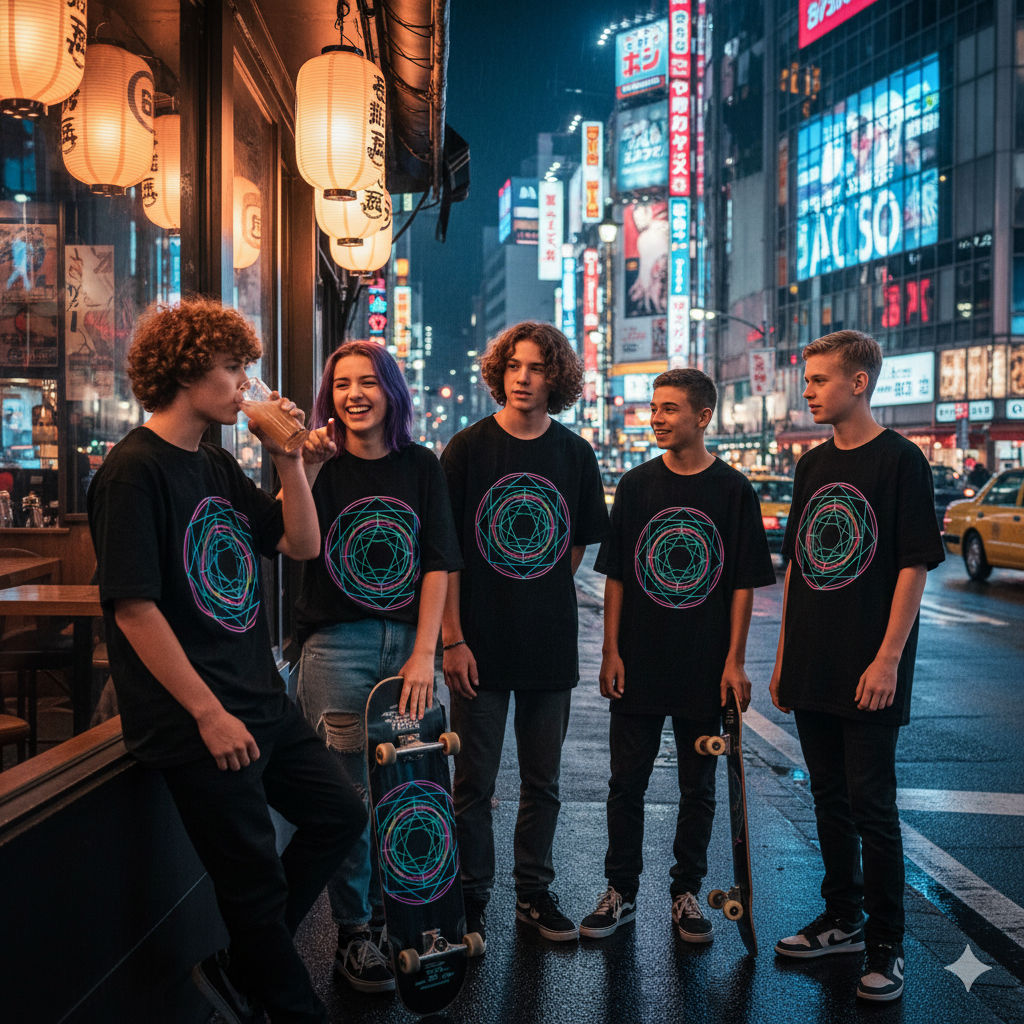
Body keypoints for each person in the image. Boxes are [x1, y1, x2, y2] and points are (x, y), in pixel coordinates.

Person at [87, 299, 366, 1024]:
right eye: (234, 367)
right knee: (254, 883)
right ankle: (286, 1004)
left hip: (258, 697)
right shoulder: (132, 472)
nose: (247, 384)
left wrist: (291, 460)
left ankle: (243, 967)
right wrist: (208, 715)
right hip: (197, 717)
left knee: (339, 814)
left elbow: (299, 543)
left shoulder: (211, 460)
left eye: (247, 368)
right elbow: (134, 609)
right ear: (186, 372)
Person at [769, 330, 944, 1002]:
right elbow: (797, 567)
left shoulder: (901, 460)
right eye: (807, 380)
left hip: (870, 665)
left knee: (872, 804)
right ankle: (841, 917)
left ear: (859, 382)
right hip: (812, 662)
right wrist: (784, 660)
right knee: (829, 798)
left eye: (818, 380)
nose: (808, 391)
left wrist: (888, 660)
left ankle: (886, 944)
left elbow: (912, 565)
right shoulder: (811, 465)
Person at [578, 369, 775, 944]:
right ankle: (620, 892)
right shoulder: (636, 485)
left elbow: (742, 584)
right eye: (654, 408)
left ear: (702, 417)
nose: (656, 418)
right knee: (626, 784)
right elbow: (616, 576)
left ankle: (686, 892)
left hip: (703, 665)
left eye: (669, 409)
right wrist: (610, 651)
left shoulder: (734, 490)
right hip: (638, 661)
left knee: (699, 788)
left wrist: (735, 661)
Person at [293, 340, 462, 992]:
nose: (354, 394)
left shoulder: (421, 465)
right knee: (349, 801)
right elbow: (288, 538)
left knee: (410, 790)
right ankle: (354, 934)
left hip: (407, 652)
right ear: (329, 396)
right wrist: (300, 466)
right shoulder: (319, 464)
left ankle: (404, 921)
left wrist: (425, 653)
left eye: (367, 381)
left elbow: (439, 562)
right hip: (336, 649)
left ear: (392, 390)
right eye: (341, 384)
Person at [440, 321, 609, 947]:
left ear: (555, 378)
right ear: (499, 373)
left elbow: (575, 546)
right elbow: (445, 555)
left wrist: (536, 586)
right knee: (473, 783)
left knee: (544, 783)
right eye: (513, 366)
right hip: (477, 645)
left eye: (537, 368)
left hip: (548, 642)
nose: (523, 377)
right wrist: (452, 639)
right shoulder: (467, 449)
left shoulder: (575, 454)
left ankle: (533, 893)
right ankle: (470, 900)